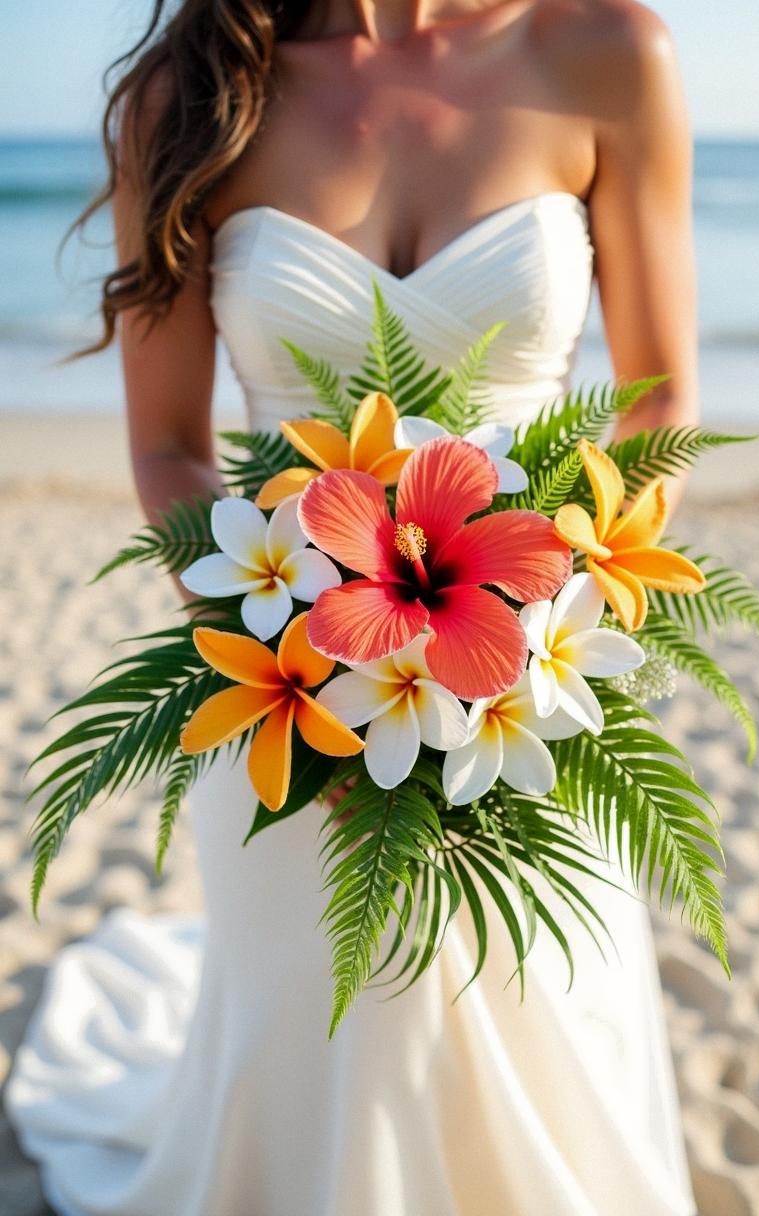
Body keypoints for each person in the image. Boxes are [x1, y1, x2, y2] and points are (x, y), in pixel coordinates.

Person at [6, 0, 701, 1212]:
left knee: (546, 1018)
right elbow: (171, 450)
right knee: (328, 1045)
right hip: (290, 694)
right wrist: (303, 656)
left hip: (536, 682)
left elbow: (658, 403)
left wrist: (547, 636)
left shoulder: (604, 51)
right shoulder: (190, 97)